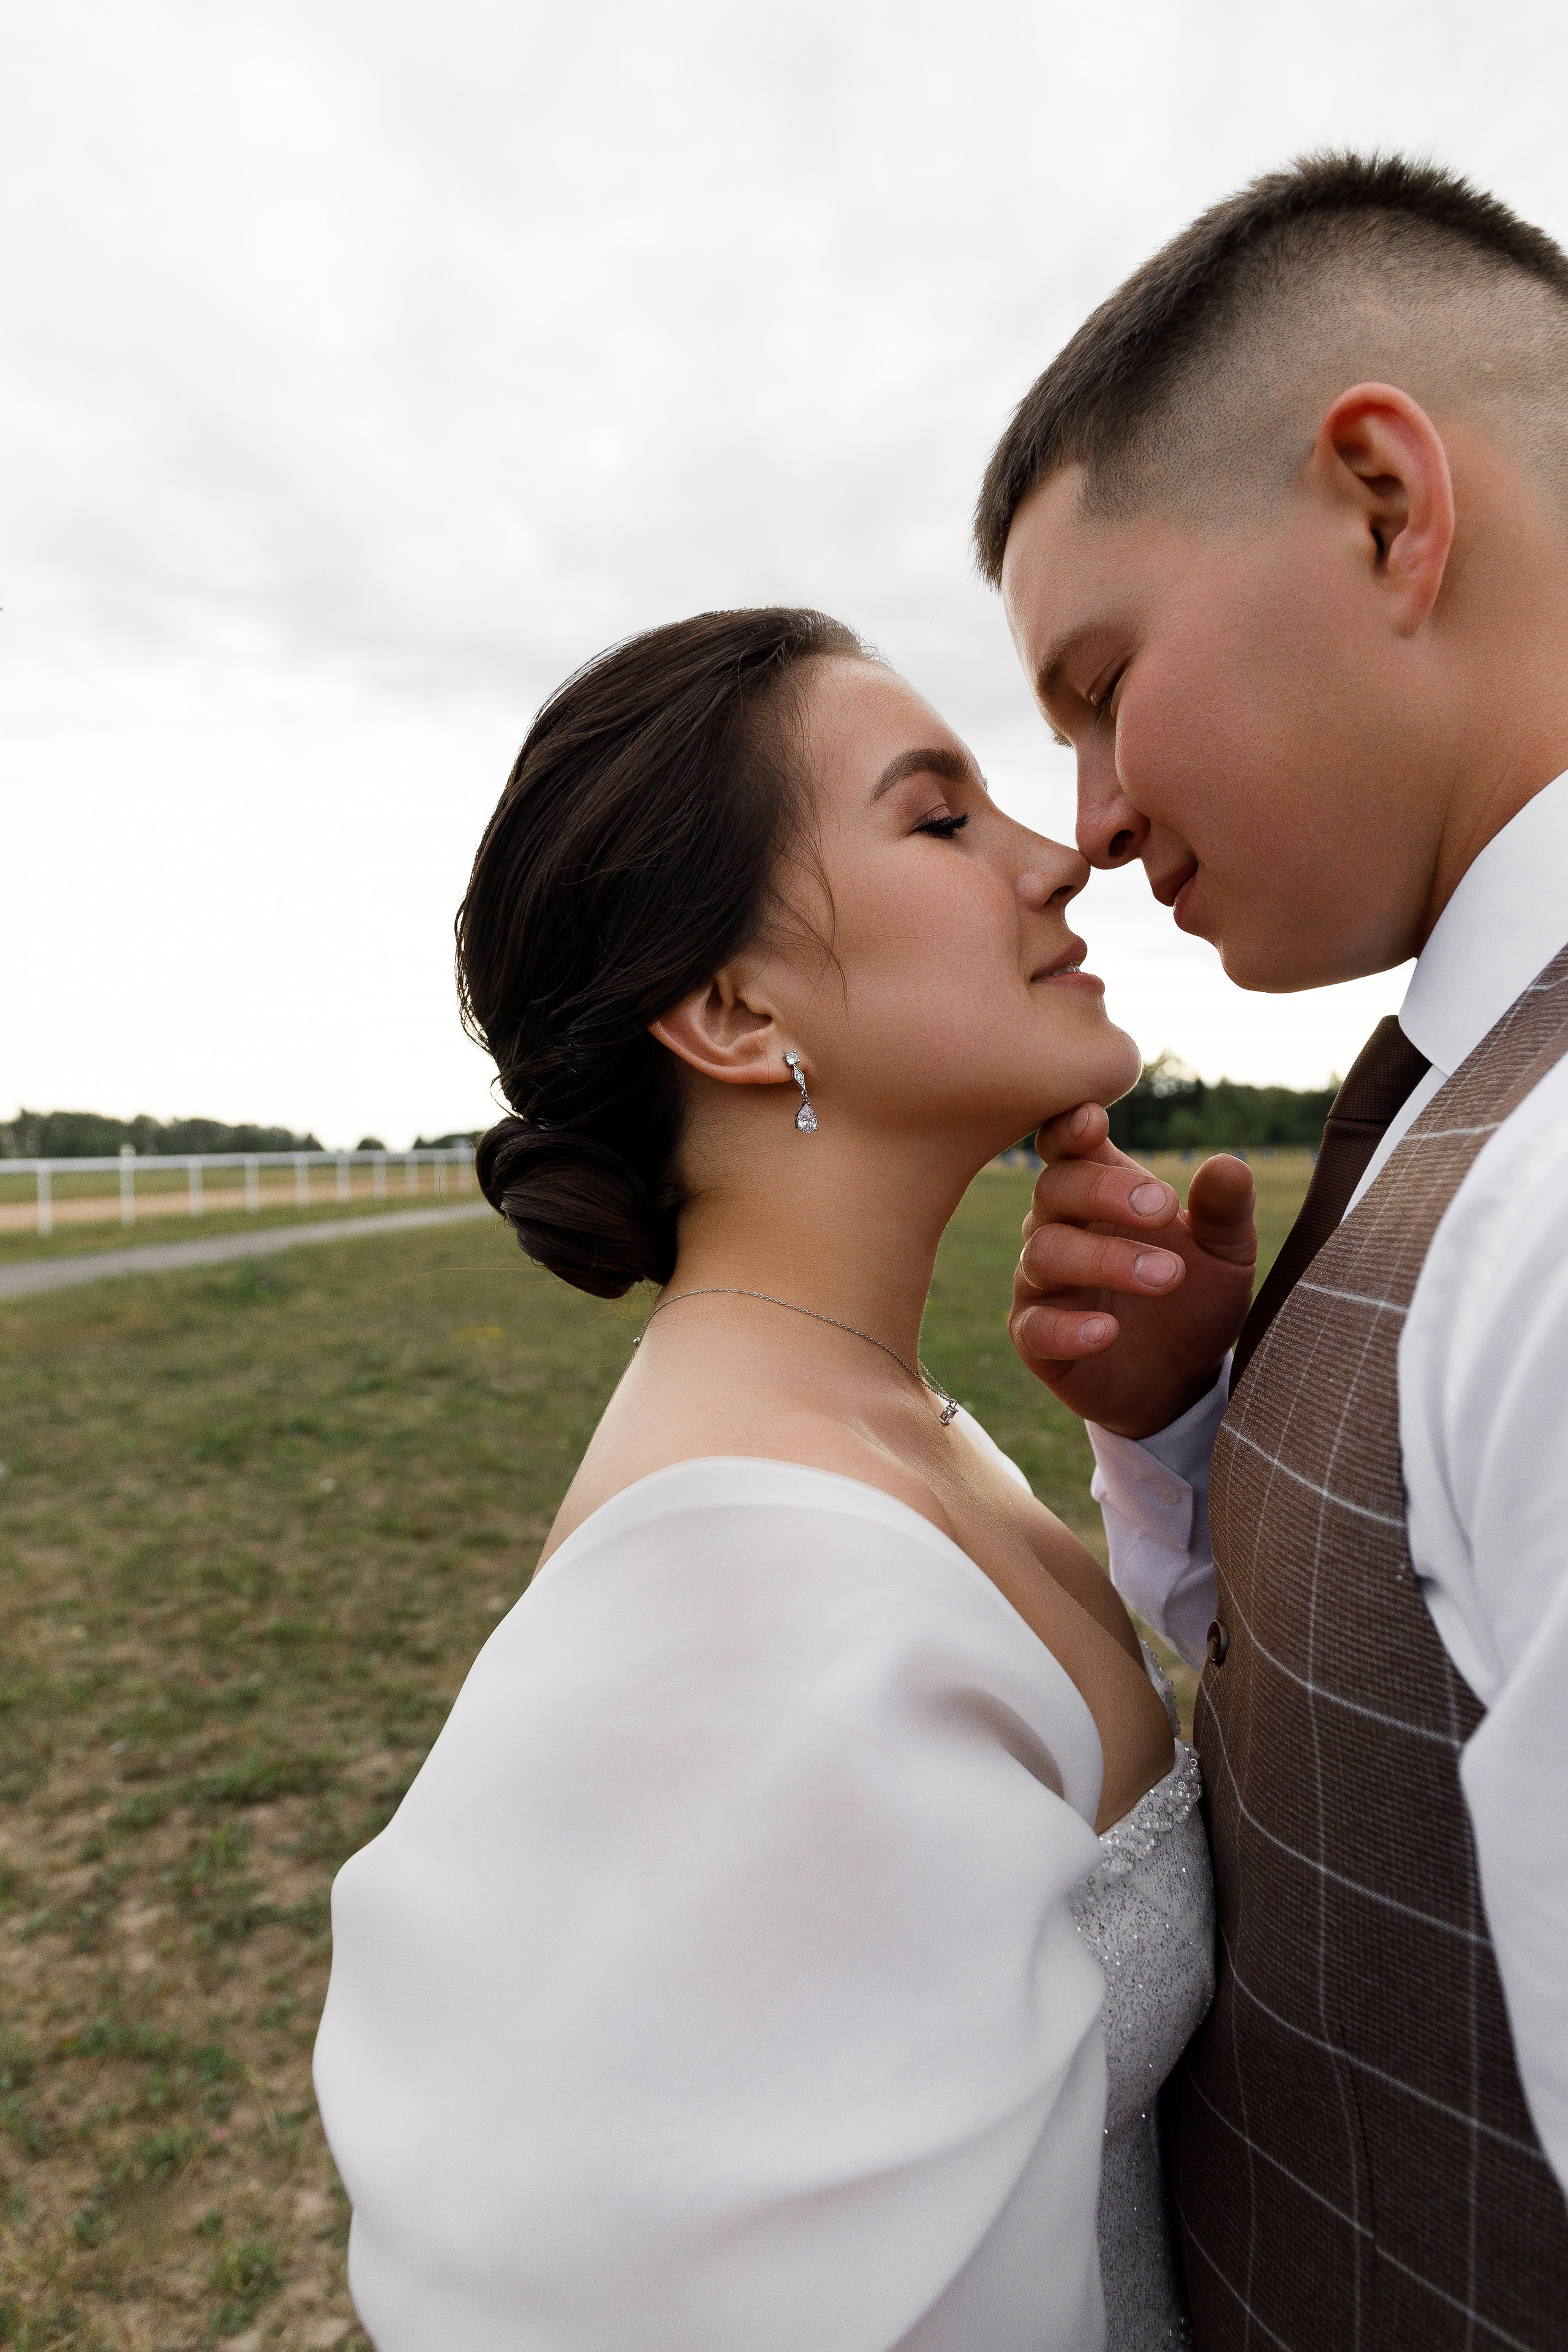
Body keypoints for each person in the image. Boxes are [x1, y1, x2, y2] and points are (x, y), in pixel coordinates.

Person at [313, 608, 1214, 2350]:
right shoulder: (749, 1588)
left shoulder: (897, 1422)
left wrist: (1172, 1431)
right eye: (941, 817)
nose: (1063, 856)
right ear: (734, 1013)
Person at [977, 153, 1568, 2351]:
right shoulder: (1465, 1088)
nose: (1095, 815)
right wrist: (1203, 1425)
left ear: (1390, 509)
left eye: (1099, 680)